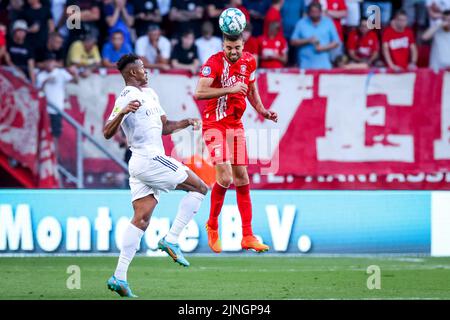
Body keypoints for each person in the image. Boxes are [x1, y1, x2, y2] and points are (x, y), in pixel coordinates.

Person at [104, 53, 208, 297]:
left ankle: (119, 277)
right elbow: (107, 132)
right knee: (200, 188)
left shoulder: (150, 94)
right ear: (132, 73)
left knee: (141, 219)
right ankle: (171, 239)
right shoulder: (127, 96)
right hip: (148, 158)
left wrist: (186, 122)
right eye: (141, 68)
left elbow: (164, 127)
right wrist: (122, 113)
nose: (146, 71)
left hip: (142, 164)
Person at [194, 33, 278, 254]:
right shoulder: (213, 62)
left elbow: (251, 89)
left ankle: (248, 236)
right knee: (225, 177)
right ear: (223, 45)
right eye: (229, 47)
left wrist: (262, 110)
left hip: (235, 125)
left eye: (237, 47)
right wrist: (228, 89)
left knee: (242, 177)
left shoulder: (249, 61)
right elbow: (199, 92)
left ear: (243, 46)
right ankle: (212, 225)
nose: (233, 52)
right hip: (214, 124)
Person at [36, 53, 78, 159]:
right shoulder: (41, 76)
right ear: (44, 63)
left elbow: (76, 81)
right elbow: (37, 93)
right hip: (44, 110)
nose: (50, 64)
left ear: (54, 63)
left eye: (51, 62)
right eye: (48, 62)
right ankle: (43, 158)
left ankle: (54, 159)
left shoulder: (60, 73)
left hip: (57, 110)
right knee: (42, 135)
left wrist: (75, 73)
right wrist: (46, 82)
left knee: (55, 136)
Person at [290, 2, 340, 69]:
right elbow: (293, 41)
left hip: (324, 66)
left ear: (320, 12)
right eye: (312, 12)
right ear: (308, 12)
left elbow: (336, 42)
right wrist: (307, 40)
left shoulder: (328, 22)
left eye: (316, 11)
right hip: (305, 66)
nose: (314, 14)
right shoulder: (301, 23)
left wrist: (322, 48)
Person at [5, 19, 36, 85]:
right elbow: (8, 61)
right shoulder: (8, 44)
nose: (22, 33)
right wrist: (17, 71)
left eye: (23, 31)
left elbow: (31, 65)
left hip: (24, 72)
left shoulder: (28, 47)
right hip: (10, 70)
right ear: (14, 31)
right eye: (19, 31)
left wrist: (33, 83)